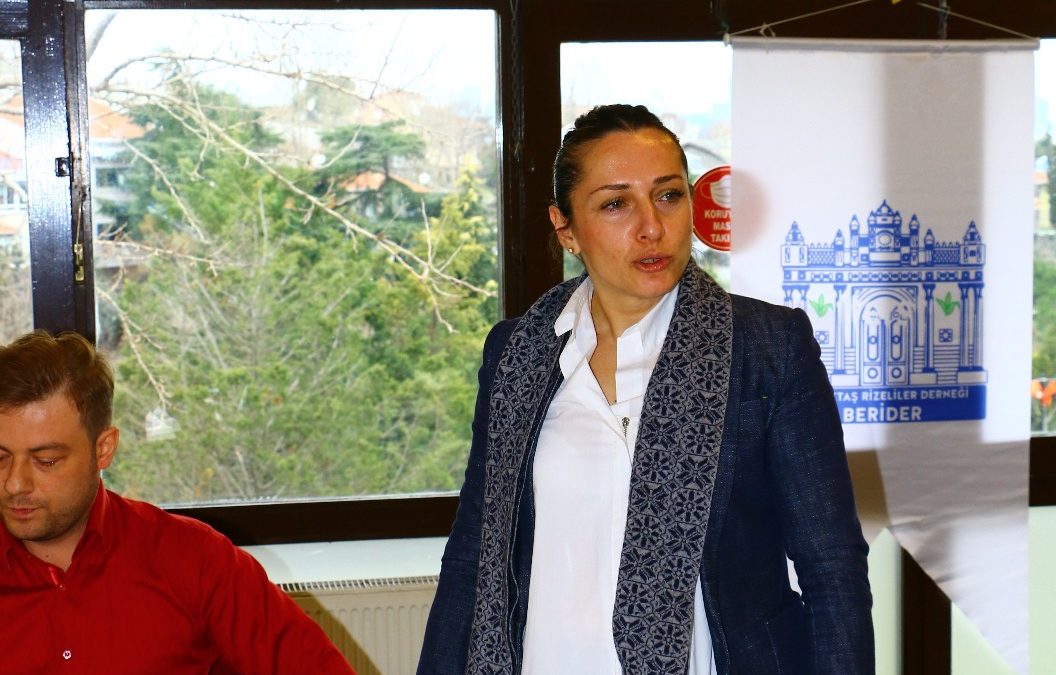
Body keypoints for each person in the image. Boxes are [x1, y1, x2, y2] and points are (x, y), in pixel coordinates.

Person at [417, 104, 873, 674]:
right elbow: (473, 555)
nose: (651, 227)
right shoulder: (517, 354)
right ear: (565, 228)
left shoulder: (766, 348)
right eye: (616, 204)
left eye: (668, 195)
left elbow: (831, 565)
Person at [0, 330, 356, 675]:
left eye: (46, 461)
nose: (14, 483)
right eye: (1, 457)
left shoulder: (193, 560)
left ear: (103, 449)